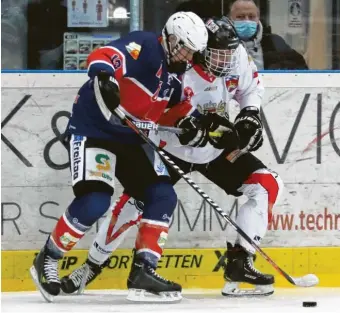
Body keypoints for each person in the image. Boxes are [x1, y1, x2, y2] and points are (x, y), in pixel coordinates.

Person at [60, 16, 283, 298]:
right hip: (168, 146)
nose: (225, 61)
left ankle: (240, 261)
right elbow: (151, 110)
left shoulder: (232, 53)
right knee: (136, 203)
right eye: (217, 54)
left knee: (266, 184)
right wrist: (184, 126)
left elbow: (250, 88)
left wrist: (250, 115)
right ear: (198, 49)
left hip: (212, 146)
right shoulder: (177, 65)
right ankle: (92, 266)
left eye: (229, 54)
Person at [29, 11, 208, 303]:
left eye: (193, 53)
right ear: (172, 39)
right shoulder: (145, 45)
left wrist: (194, 125)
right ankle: (48, 258)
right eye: (186, 49)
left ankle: (143, 271)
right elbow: (105, 55)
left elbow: (177, 110)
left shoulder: (174, 77)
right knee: (95, 201)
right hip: (94, 129)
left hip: (130, 138)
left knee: (162, 195)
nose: (189, 57)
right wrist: (104, 77)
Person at [228, 0, 308, 70]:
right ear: (230, 19)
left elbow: (301, 70)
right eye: (240, 17)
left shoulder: (275, 43)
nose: (246, 21)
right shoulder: (222, 45)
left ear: (258, 18)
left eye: (251, 16)